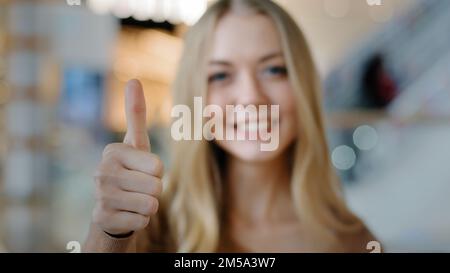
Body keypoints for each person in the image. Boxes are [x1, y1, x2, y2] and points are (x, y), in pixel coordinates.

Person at [83, 0, 376, 253]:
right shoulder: (150, 225)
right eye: (221, 76)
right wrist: (109, 235)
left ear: (303, 88)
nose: (250, 97)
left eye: (274, 69)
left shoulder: (350, 239)